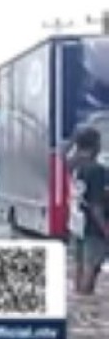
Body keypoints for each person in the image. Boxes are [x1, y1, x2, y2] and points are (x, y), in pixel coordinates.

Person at [68, 127, 108, 296]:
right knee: (91, 268)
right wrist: (106, 228)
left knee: (80, 264)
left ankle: (80, 298)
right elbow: (96, 204)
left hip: (77, 223)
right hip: (93, 226)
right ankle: (86, 298)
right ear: (95, 144)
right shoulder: (98, 170)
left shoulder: (76, 167)